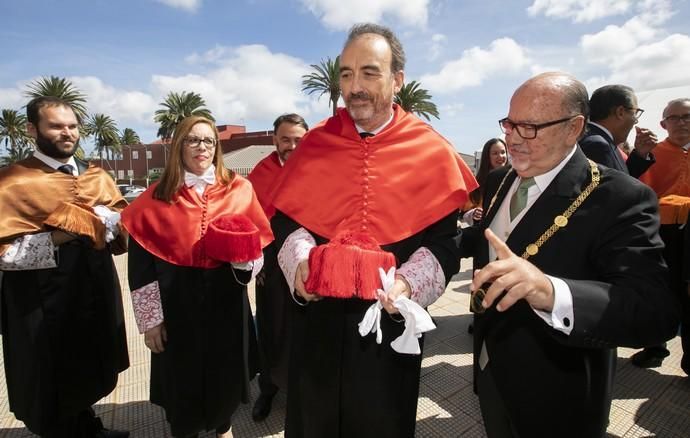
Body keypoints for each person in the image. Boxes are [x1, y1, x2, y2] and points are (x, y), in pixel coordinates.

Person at [269, 23, 477, 437]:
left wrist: (405, 285)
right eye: (346, 74)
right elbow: (287, 222)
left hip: (389, 326)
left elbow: (444, 245)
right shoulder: (314, 146)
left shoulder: (432, 151)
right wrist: (300, 266)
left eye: (369, 72)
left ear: (397, 80)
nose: (354, 86)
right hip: (317, 326)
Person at [460, 72, 679, 438]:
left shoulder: (620, 197)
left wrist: (551, 291)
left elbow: (654, 311)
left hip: (560, 391)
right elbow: (479, 241)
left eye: (530, 127)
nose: (512, 139)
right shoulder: (499, 180)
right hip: (491, 369)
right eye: (510, 124)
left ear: (574, 127)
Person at [120, 116, 273, 438]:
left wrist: (246, 264)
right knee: (182, 383)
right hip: (176, 305)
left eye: (208, 141)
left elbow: (257, 251)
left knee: (224, 377)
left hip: (227, 301)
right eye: (193, 140)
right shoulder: (155, 197)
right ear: (179, 145)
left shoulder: (240, 188)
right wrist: (151, 321)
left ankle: (223, 427)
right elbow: (141, 268)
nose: (201, 147)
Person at [0, 96, 130, 437]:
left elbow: (120, 232)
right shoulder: (12, 182)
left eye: (72, 126)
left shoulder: (96, 176)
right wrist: (64, 233)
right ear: (33, 129)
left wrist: (113, 223)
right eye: (56, 126)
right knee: (51, 379)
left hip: (94, 288)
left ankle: (89, 427)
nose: (66, 133)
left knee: (91, 364)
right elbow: (5, 255)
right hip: (41, 301)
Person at [247, 113, 308, 421]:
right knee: (271, 329)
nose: (292, 145)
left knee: (305, 332)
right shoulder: (261, 173)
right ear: (274, 140)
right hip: (270, 269)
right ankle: (268, 388)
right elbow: (251, 222)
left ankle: (303, 390)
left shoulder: (319, 171)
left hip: (309, 267)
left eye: (298, 139)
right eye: (286, 139)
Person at [634, 98, 690, 372]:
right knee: (658, 289)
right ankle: (655, 346)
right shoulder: (653, 153)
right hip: (661, 233)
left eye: (687, 117)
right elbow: (642, 194)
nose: (682, 123)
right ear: (663, 123)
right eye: (675, 117)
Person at [579, 84, 657, 178]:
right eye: (635, 113)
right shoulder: (597, 145)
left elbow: (621, 179)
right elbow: (615, 190)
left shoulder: (597, 139)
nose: (636, 120)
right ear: (620, 112)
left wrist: (640, 154)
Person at [462, 138, 508, 224]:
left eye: (503, 152)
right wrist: (474, 213)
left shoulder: (514, 178)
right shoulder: (477, 183)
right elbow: (465, 212)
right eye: (495, 153)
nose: (500, 156)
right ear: (487, 157)